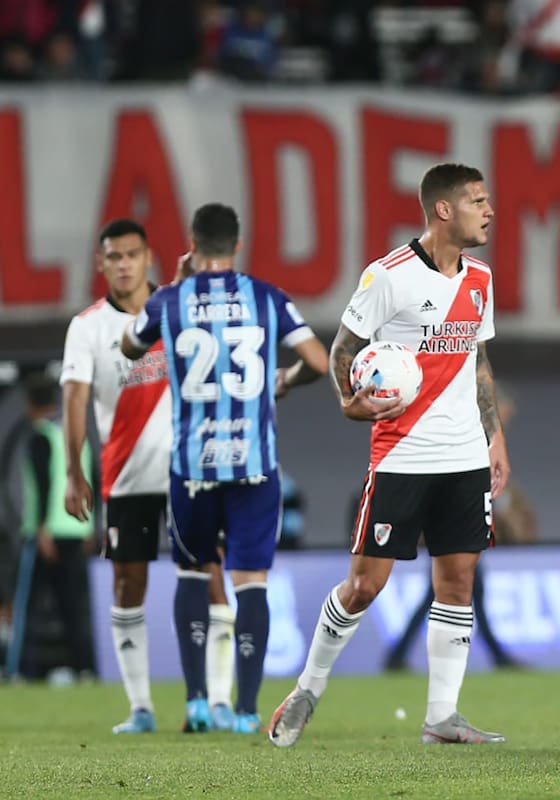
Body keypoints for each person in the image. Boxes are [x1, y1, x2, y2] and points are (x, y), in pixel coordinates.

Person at [269, 163, 511, 748]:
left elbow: (477, 363)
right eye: (478, 201)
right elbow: (343, 349)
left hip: (463, 455)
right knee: (364, 585)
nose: (489, 210)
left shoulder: (479, 278)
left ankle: (442, 716)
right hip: (402, 454)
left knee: (457, 580)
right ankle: (308, 687)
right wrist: (347, 402)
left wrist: (495, 434)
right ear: (444, 210)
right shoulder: (389, 276)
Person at [121, 203, 328, 733]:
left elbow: (128, 344)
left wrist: (175, 282)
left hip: (192, 465)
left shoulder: (170, 300)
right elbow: (321, 362)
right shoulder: (267, 297)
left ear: (193, 241)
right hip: (254, 466)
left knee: (192, 573)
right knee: (250, 580)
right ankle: (246, 710)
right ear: (238, 244)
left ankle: (194, 703)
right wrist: (282, 380)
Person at [60, 218, 238, 733]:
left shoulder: (180, 306)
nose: (123, 265)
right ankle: (140, 707)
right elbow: (74, 399)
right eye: (113, 257)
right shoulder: (87, 327)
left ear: (148, 258)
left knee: (212, 573)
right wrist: (75, 472)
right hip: (127, 476)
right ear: (102, 264)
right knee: (127, 582)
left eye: (131, 255)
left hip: (192, 469)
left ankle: (218, 700)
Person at [383, 383, 534, 672]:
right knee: (454, 590)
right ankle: (496, 657)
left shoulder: (470, 436)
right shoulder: (467, 436)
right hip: (455, 527)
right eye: (505, 414)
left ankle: (399, 656)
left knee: (456, 592)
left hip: (462, 526)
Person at [7, 375, 97, 683]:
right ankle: (85, 669)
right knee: (74, 605)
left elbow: (44, 485)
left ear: (30, 404)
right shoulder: (74, 438)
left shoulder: (39, 436)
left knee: (28, 604)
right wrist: (89, 527)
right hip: (76, 529)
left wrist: (43, 527)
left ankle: (19, 670)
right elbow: (92, 480)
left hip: (46, 533)